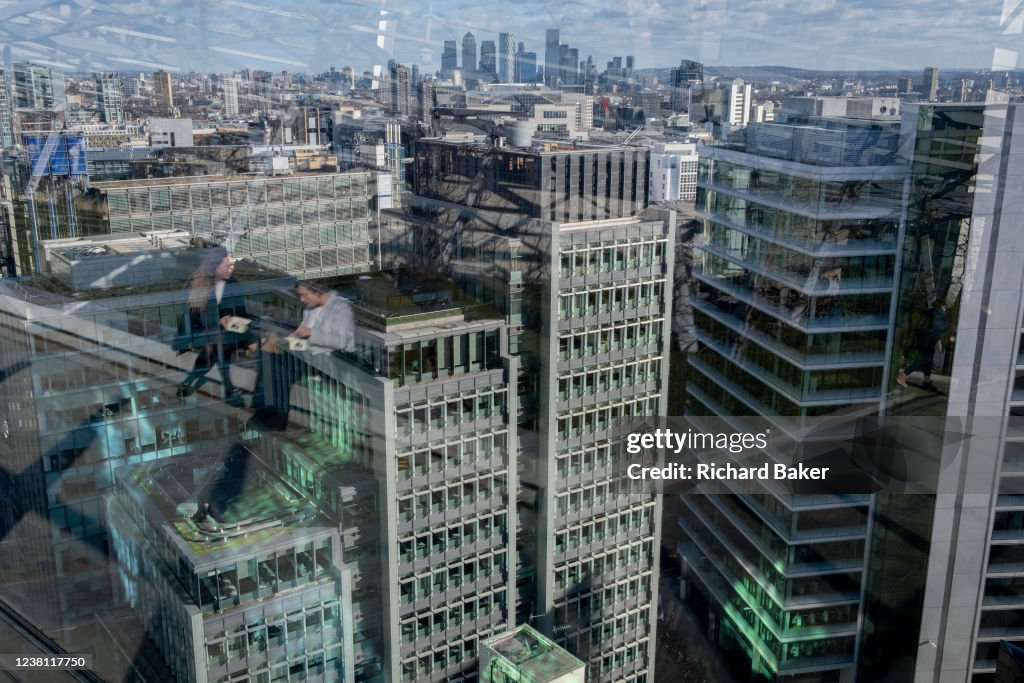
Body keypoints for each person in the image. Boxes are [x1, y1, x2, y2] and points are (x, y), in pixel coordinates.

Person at [257, 281, 355, 427]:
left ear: (318, 292)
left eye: (305, 295)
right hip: (311, 360)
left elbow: (341, 341)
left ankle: (283, 415)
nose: (302, 300)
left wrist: (311, 333)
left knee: (285, 371)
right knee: (277, 365)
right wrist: (295, 336)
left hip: (333, 365)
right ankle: (281, 414)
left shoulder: (341, 309)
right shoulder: (309, 308)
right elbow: (304, 331)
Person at [174, 247, 254, 406]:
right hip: (200, 331)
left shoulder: (234, 284)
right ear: (215, 267)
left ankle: (188, 382)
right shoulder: (197, 285)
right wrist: (218, 321)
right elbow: (192, 317)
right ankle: (230, 389)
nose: (232, 268)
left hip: (225, 332)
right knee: (217, 345)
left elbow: (241, 313)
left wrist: (232, 322)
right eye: (228, 265)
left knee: (213, 349)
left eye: (232, 265)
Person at [897, 301, 949, 387]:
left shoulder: (929, 312)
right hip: (928, 340)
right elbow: (943, 327)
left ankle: (927, 380)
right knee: (921, 360)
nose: (945, 308)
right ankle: (903, 375)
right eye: (944, 307)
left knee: (928, 360)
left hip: (925, 339)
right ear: (941, 306)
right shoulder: (940, 314)